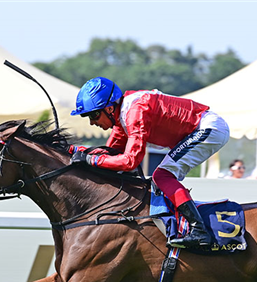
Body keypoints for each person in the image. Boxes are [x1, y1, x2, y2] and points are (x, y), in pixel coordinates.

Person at [69, 77, 230, 249]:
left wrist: (91, 159)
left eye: (94, 115)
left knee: (162, 176)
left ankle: (199, 232)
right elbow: (110, 154)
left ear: (109, 108)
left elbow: (129, 161)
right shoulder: (121, 119)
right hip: (201, 130)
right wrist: (78, 152)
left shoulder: (135, 112)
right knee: (161, 176)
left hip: (208, 128)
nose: (92, 122)